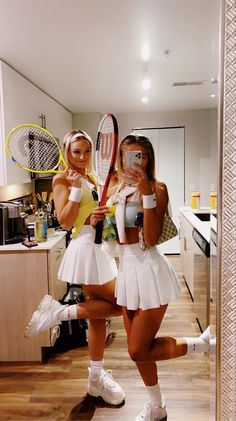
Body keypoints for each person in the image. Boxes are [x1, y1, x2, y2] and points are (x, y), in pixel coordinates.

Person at [103, 134, 212, 421]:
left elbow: (150, 239)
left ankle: (202, 345)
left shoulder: (157, 189)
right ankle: (156, 407)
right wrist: (98, 223)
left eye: (141, 156)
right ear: (120, 158)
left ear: (149, 159)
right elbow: (114, 239)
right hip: (126, 272)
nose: (134, 162)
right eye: (128, 156)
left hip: (149, 272)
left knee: (138, 349)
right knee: (141, 351)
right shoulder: (116, 190)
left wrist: (146, 194)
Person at [24, 129, 125, 406]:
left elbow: (94, 211)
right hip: (84, 249)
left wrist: (114, 187)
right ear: (67, 152)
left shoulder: (92, 176)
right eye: (75, 151)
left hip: (99, 248)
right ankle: (59, 312)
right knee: (122, 305)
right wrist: (77, 189)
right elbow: (66, 221)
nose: (81, 157)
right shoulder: (62, 179)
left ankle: (95, 379)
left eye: (86, 151)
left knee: (97, 317)